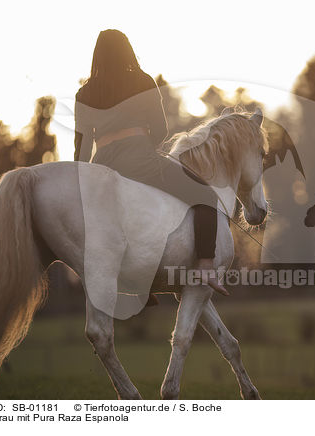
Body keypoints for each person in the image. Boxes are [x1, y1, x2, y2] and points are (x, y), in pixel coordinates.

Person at [74, 29, 228, 300]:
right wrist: (145, 146)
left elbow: (82, 149)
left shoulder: (84, 93)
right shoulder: (142, 81)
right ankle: (205, 264)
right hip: (139, 159)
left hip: (102, 166)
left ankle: (133, 286)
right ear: (128, 50)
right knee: (205, 194)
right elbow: (161, 129)